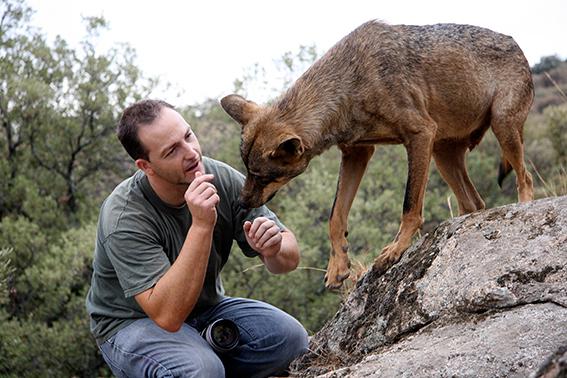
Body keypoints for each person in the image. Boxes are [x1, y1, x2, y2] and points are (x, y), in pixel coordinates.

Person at [85, 99, 309, 377]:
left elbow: (288, 261)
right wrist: (202, 225)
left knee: (292, 341)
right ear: (147, 166)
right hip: (132, 324)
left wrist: (274, 248)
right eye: (172, 151)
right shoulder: (124, 217)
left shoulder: (221, 178)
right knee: (202, 370)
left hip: (204, 310)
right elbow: (167, 316)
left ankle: (203, 357)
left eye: (188, 135)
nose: (191, 152)